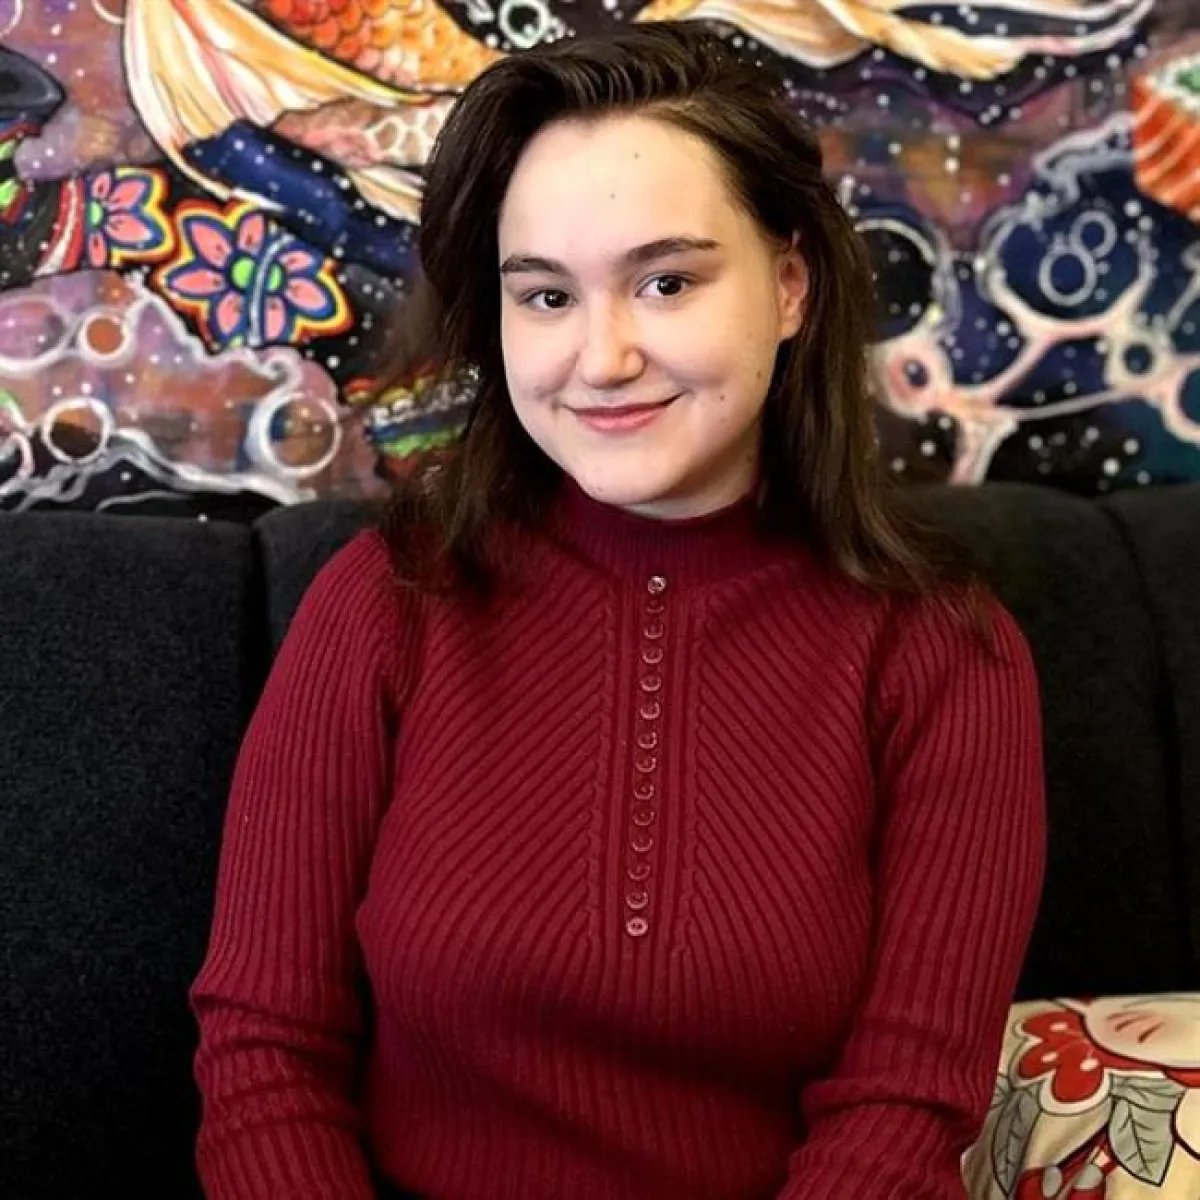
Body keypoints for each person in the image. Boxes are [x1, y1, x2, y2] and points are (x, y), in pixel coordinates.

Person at [189, 21, 1047, 1200]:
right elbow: (263, 1052)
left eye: (667, 282)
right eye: (546, 296)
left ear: (789, 286)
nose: (602, 358)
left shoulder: (946, 654)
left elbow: (903, 1109)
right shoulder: (387, 603)